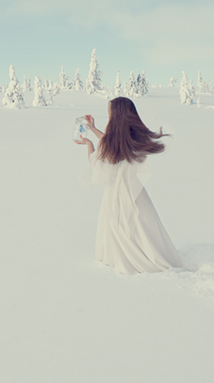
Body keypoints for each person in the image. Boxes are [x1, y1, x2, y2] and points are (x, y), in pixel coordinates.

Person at [76, 97, 183, 274]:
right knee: (143, 225)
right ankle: (152, 254)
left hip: (115, 193)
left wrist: (89, 145)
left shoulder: (110, 143)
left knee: (119, 227)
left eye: (110, 113)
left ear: (115, 116)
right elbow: (112, 141)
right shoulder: (134, 138)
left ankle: (129, 259)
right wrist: (94, 129)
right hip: (136, 191)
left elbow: (97, 164)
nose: (109, 116)